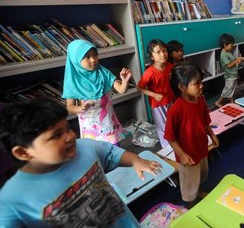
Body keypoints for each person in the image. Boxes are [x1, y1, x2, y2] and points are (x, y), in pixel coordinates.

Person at [0, 100, 161, 227]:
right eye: (56, 135)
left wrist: (135, 160)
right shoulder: (11, 199)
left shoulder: (84, 146)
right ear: (23, 152)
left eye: (67, 128)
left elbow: (111, 153)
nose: (70, 136)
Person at [164, 62, 219, 207]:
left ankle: (198, 191)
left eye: (201, 82)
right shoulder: (176, 110)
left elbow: (205, 121)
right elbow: (170, 137)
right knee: (189, 182)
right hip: (187, 155)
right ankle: (191, 203)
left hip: (201, 148)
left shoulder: (200, 100)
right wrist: (181, 154)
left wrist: (212, 135)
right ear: (182, 87)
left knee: (200, 176)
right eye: (197, 83)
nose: (201, 86)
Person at [62, 39, 131, 144]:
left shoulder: (103, 73)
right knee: (97, 155)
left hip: (109, 126)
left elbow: (121, 90)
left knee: (115, 153)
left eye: (95, 55)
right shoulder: (72, 82)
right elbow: (70, 107)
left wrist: (125, 81)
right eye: (87, 57)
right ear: (75, 59)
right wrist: (81, 108)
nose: (93, 60)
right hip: (90, 131)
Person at [137, 39, 175, 148]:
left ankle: (176, 144)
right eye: (158, 52)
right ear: (151, 56)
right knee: (163, 126)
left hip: (170, 100)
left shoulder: (169, 66)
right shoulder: (149, 73)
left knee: (173, 123)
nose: (163, 54)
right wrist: (154, 95)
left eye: (164, 50)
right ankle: (167, 148)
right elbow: (140, 88)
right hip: (158, 105)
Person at [215, 33, 244, 108]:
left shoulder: (227, 52)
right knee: (228, 89)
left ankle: (231, 101)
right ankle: (218, 102)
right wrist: (237, 60)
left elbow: (232, 62)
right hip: (230, 75)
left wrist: (238, 60)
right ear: (225, 45)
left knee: (232, 89)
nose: (232, 47)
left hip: (233, 74)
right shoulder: (223, 54)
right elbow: (229, 65)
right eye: (231, 45)